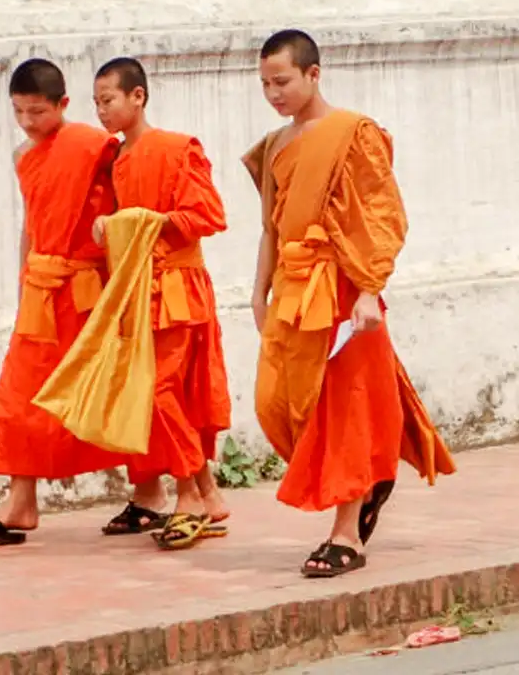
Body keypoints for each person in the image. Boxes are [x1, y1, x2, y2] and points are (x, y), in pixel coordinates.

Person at [244, 29, 455, 578]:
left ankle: (345, 533)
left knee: (345, 408)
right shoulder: (275, 146)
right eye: (265, 84)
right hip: (293, 290)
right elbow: (270, 226)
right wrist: (258, 290)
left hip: (342, 289)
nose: (274, 93)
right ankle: (369, 484)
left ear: (314, 74)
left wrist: (367, 290)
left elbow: (382, 215)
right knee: (279, 404)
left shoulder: (353, 134)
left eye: (283, 81)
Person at [0, 58, 122, 546]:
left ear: (63, 105)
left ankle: (156, 492)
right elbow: (32, 222)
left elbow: (118, 212)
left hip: (88, 290)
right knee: (19, 397)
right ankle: (20, 501)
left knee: (110, 390)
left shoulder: (95, 147)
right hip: (43, 289)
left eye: (38, 112)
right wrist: (24, 279)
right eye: (20, 112)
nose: (28, 122)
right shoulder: (25, 154)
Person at [92, 57, 232, 550]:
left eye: (108, 100)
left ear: (138, 96)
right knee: (158, 393)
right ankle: (204, 492)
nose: (103, 112)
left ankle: (192, 495)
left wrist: (139, 221)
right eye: (97, 104)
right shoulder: (114, 160)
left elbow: (207, 215)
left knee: (162, 389)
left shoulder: (177, 148)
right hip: (138, 288)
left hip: (176, 284)